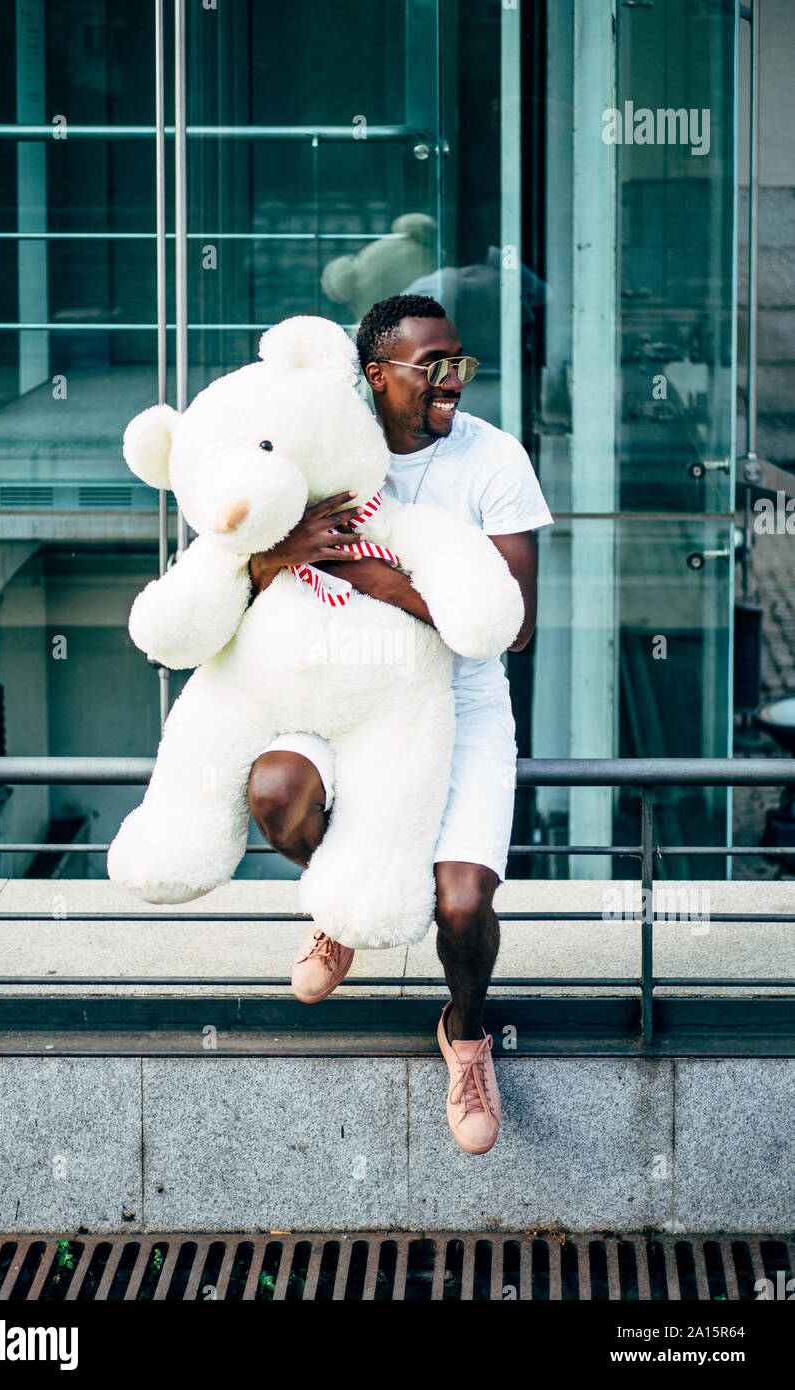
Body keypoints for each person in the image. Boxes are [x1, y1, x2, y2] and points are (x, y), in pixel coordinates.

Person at [244, 294, 553, 1154]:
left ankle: (464, 1032)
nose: (454, 380)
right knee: (275, 794)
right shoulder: (323, 449)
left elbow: (517, 625)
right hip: (346, 685)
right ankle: (348, 902)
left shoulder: (494, 459)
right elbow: (231, 568)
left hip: (465, 701)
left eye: (463, 363)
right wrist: (280, 549)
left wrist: (391, 588)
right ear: (377, 375)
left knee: (461, 908)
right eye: (434, 366)